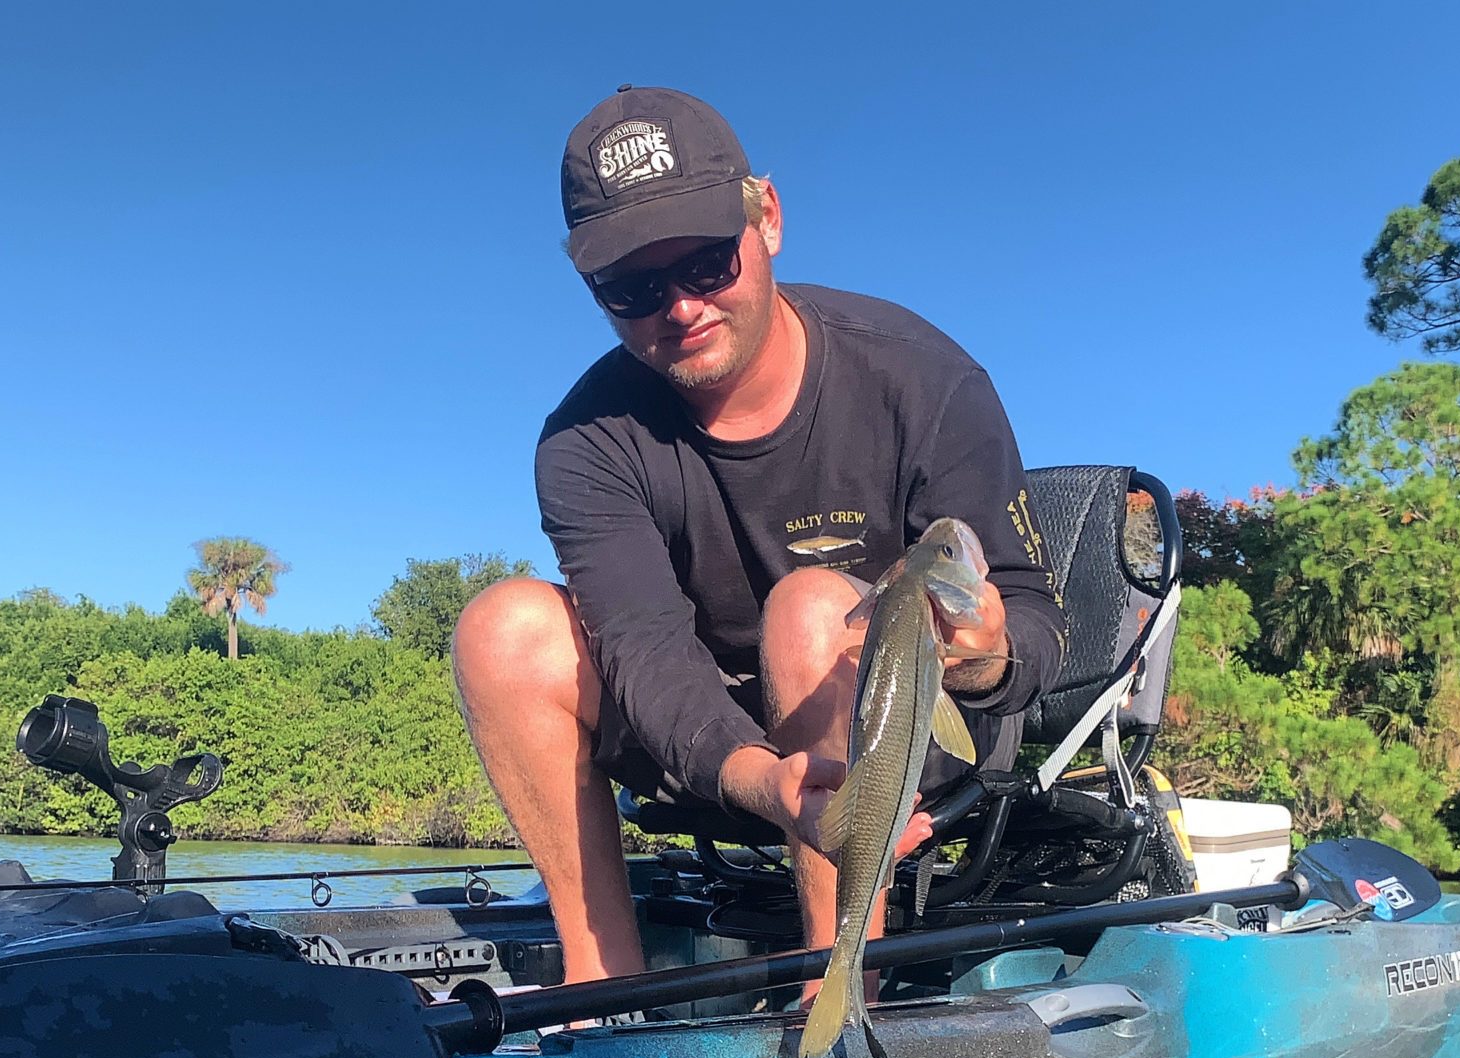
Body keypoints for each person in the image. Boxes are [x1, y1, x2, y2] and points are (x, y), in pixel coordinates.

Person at [452, 85, 1065, 988]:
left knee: (813, 605)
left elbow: (1039, 630)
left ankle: (838, 971)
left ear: (767, 218)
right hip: (713, 744)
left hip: (908, 744)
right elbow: (643, 649)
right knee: (502, 629)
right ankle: (599, 992)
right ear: (591, 288)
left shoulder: (926, 379)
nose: (681, 307)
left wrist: (983, 657)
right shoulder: (584, 441)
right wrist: (758, 776)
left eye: (706, 262)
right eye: (633, 287)